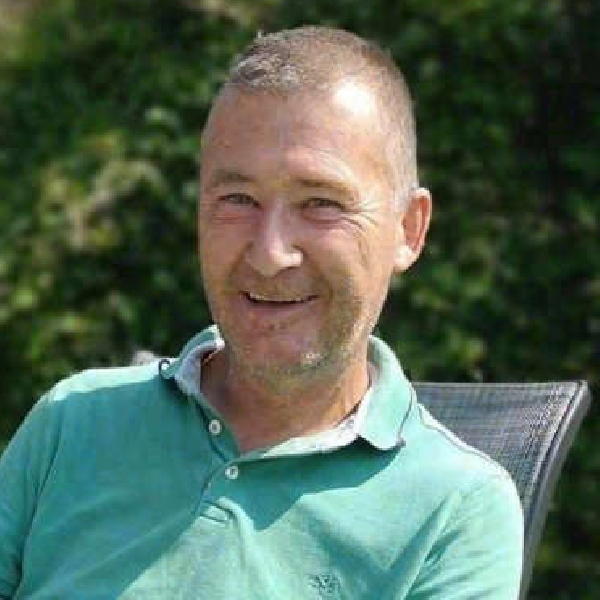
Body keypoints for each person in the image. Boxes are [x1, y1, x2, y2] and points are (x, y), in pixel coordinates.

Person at [0, 26, 523, 599]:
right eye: (238, 200)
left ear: (408, 229)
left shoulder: (456, 510)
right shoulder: (72, 423)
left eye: (321, 203)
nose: (271, 254)